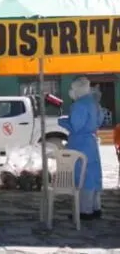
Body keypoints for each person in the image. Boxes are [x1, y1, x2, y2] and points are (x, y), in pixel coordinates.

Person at [59, 77, 104, 220]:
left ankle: (84, 211)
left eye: (72, 89)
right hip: (91, 142)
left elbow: (76, 126)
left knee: (82, 176)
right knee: (94, 175)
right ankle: (96, 208)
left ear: (78, 89)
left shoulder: (79, 105)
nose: (71, 92)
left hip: (81, 143)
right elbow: (100, 120)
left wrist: (62, 121)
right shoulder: (94, 102)